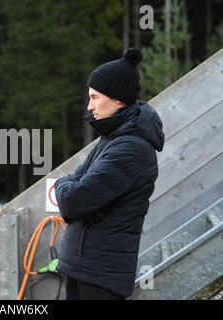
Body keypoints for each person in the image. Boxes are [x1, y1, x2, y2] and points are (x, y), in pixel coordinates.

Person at [54, 48, 164, 300]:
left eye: (94, 97)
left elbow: (73, 200)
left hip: (99, 277)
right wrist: (69, 184)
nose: (89, 106)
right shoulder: (113, 138)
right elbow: (76, 186)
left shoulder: (130, 148)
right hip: (87, 269)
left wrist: (62, 183)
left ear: (116, 98)